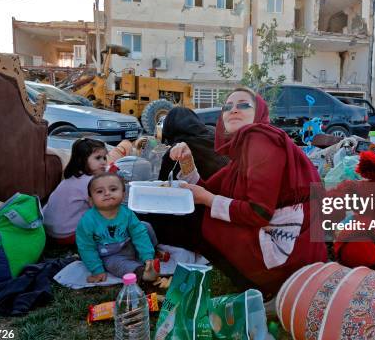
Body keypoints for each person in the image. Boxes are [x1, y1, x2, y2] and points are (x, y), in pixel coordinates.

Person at [171, 87, 328, 294]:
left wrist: (208, 200)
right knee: (202, 212)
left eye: (244, 105)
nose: (233, 110)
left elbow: (258, 213)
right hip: (297, 245)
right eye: (227, 107)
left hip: (290, 250)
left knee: (204, 220)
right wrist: (187, 162)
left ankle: (265, 287)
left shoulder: (260, 139)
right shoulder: (243, 154)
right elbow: (205, 190)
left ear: (259, 113)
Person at [76, 172, 159, 283]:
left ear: (123, 195)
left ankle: (151, 257)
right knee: (114, 265)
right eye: (100, 191)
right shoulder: (87, 221)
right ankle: (141, 272)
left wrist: (147, 255)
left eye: (113, 189)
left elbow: (139, 235)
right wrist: (97, 270)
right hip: (110, 255)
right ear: (91, 201)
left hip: (129, 244)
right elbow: (86, 247)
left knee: (144, 227)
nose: (107, 193)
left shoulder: (127, 213)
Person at [42, 138, 108, 245]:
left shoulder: (72, 177)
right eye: (98, 158)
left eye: (104, 158)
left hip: (47, 229)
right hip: (66, 235)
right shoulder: (91, 182)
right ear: (82, 160)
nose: (104, 162)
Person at [158, 107, 228, 181]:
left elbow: (162, 183)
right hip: (230, 183)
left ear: (168, 127)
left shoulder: (178, 150)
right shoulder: (213, 131)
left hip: (205, 189)